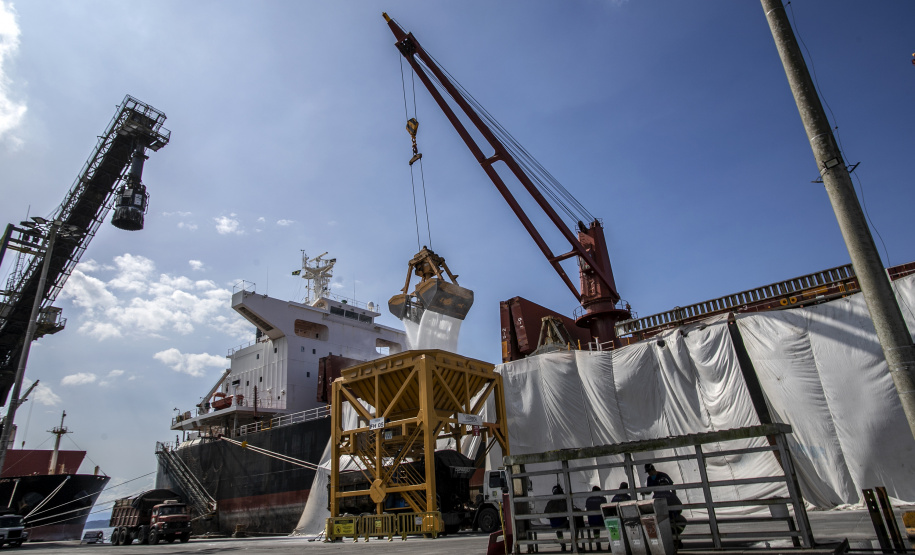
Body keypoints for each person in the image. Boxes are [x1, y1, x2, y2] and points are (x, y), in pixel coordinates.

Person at [645, 464, 686, 536]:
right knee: (681, 521)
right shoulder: (649, 479)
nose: (650, 474)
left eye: (650, 472)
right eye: (648, 473)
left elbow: (672, 488)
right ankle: (674, 533)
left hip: (660, 506)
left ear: (654, 470)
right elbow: (679, 507)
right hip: (667, 509)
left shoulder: (663, 475)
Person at [544, 484, 569, 552]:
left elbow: (546, 514)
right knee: (575, 524)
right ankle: (574, 544)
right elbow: (570, 511)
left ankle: (563, 545)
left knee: (558, 531)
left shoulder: (550, 502)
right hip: (564, 523)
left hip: (554, 524)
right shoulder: (564, 502)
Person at [585, 486, 607, 551]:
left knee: (596, 529)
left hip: (591, 522)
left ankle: (598, 544)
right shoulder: (603, 499)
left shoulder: (588, 499)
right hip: (601, 521)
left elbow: (587, 508)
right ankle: (610, 545)